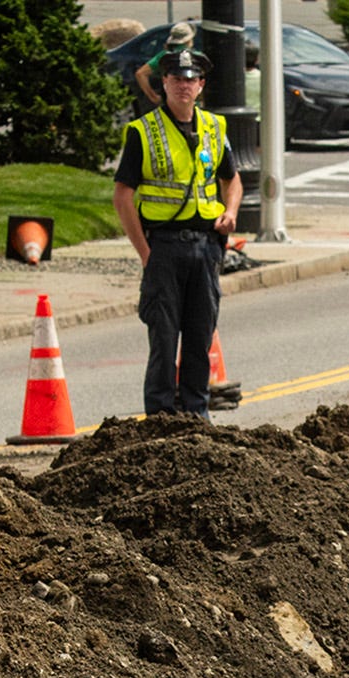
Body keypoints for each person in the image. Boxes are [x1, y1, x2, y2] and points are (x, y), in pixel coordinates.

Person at [113, 45, 243, 417]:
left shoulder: (215, 128)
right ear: (164, 84)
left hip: (205, 247)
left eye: (191, 79)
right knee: (164, 340)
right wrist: (146, 253)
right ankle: (159, 418)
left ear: (201, 85)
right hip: (164, 248)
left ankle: (196, 417)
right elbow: (122, 196)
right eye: (176, 79)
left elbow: (232, 180)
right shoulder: (144, 131)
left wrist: (230, 213)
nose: (184, 86)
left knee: (200, 338)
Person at [130, 20, 196, 114]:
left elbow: (140, 74)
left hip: (169, 104)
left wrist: (153, 96)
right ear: (189, 40)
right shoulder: (196, 56)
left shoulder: (164, 56)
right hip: (191, 105)